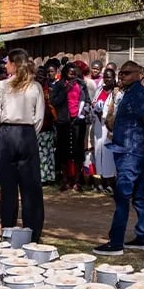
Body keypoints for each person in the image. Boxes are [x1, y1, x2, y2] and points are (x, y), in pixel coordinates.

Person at [94, 61, 144, 255]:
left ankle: (116, 242)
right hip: (127, 149)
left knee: (122, 195)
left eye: (127, 73)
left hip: (133, 151)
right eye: (121, 73)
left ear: (140, 74)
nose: (122, 76)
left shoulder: (138, 93)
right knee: (138, 196)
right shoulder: (128, 93)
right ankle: (142, 237)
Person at [0, 49, 46, 241]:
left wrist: (2, 136)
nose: (5, 66)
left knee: (9, 188)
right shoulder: (33, 87)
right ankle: (33, 233)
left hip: (8, 134)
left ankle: (9, 231)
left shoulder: (2, 87)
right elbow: (38, 118)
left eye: (7, 62)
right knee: (31, 187)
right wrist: (27, 133)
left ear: (14, 64)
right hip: (26, 134)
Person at [50, 62, 92, 192]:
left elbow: (88, 101)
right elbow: (53, 101)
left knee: (78, 150)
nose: (72, 73)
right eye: (70, 71)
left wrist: (83, 112)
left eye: (75, 71)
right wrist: (65, 91)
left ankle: (77, 181)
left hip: (78, 122)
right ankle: (65, 180)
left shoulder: (81, 84)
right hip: (63, 122)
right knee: (63, 151)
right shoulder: (59, 85)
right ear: (65, 72)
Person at [90, 66, 120, 194]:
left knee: (109, 154)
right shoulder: (99, 90)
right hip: (98, 126)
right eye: (105, 77)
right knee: (98, 152)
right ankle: (100, 181)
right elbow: (93, 103)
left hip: (109, 127)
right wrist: (95, 110)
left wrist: (103, 114)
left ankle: (111, 183)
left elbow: (117, 111)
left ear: (114, 79)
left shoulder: (117, 93)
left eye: (110, 77)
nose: (107, 80)